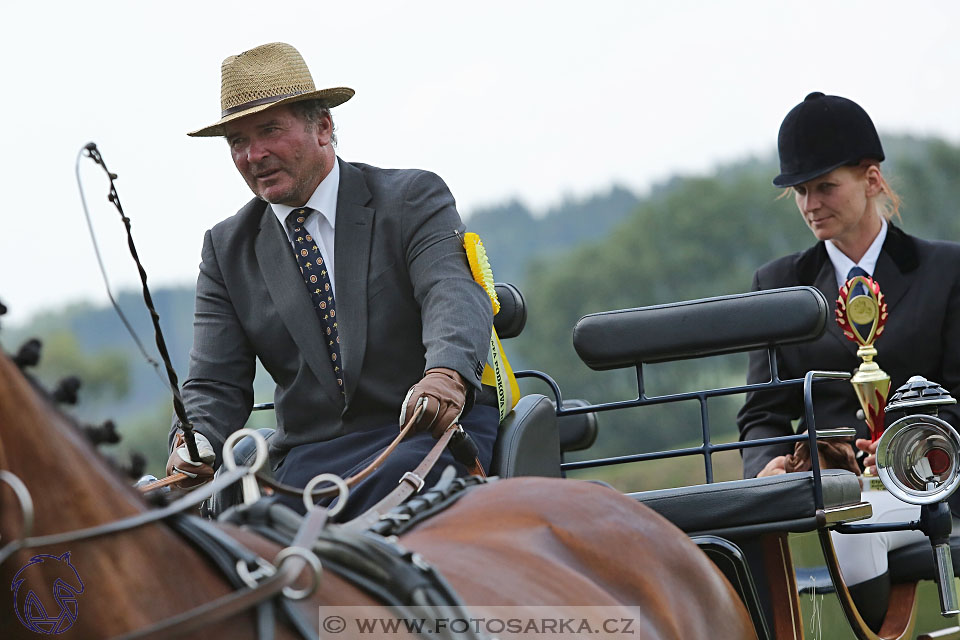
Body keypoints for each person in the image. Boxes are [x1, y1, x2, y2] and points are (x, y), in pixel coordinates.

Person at [165, 42, 498, 521]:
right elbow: (215, 384)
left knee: (390, 505)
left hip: (425, 432)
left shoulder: (410, 199)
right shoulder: (225, 249)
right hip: (309, 460)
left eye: (269, 131)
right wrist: (192, 442)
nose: (254, 154)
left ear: (323, 127)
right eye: (237, 141)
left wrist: (444, 375)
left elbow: (451, 292)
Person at [736, 91, 960, 629]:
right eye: (801, 191)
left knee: (856, 525)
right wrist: (765, 467)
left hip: (934, 478)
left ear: (872, 179)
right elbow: (762, 413)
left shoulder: (946, 271)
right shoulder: (777, 285)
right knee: (851, 521)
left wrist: (914, 445)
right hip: (837, 493)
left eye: (826, 186)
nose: (811, 204)